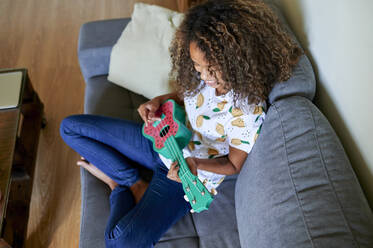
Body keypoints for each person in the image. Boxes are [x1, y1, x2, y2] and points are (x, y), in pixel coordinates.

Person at [59, 0, 302, 247]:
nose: (205, 77)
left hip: (184, 176)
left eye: (212, 70)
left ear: (236, 61)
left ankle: (118, 186)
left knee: (118, 241)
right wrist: (157, 101)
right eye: (198, 67)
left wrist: (194, 163)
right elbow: (184, 96)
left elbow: (232, 164)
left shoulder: (247, 111)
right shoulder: (200, 76)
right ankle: (133, 182)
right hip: (161, 141)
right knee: (69, 127)